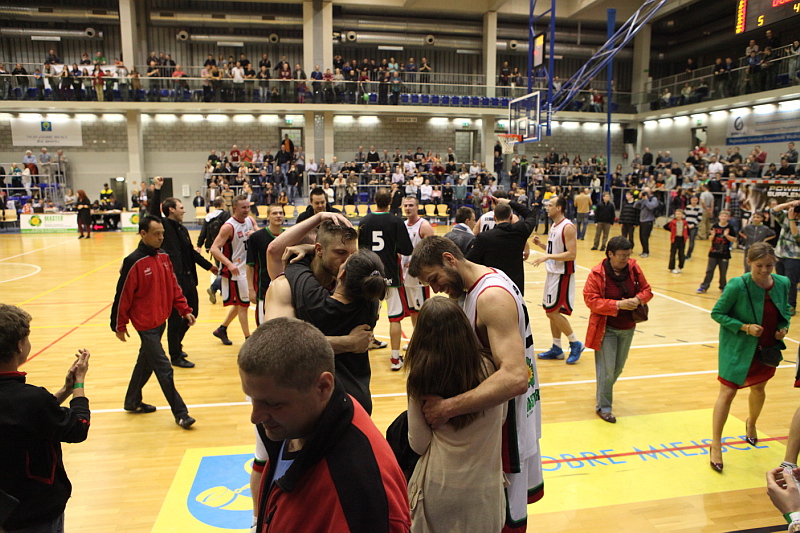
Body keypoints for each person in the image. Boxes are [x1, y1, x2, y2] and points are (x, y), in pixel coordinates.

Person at [407, 236, 543, 532]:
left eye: (434, 278)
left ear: (449, 259)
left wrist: (447, 407)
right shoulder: (483, 282)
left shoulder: (490, 297)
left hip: (507, 429)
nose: (435, 289)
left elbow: (515, 378)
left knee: (503, 521)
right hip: (500, 425)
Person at [240, 317, 411, 533]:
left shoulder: (361, 494)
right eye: (251, 398)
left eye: (273, 403)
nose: (255, 417)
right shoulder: (294, 424)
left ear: (323, 387)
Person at [405, 297, 505, 533]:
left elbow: (419, 443)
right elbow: (501, 418)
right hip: (486, 488)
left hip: (440, 486)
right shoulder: (492, 369)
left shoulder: (421, 376)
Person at [0, 304, 91, 533]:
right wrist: (78, 385)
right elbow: (78, 427)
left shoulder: (27, 401)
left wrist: (64, 390)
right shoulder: (31, 399)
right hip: (34, 511)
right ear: (19, 345)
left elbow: (24, 415)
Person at [709, 242, 790, 472]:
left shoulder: (782, 283)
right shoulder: (738, 285)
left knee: (759, 388)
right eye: (759, 265)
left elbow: (786, 311)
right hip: (737, 348)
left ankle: (751, 423)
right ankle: (716, 444)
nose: (764, 270)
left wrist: (783, 328)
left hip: (766, 347)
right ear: (749, 262)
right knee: (727, 393)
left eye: (769, 265)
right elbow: (717, 313)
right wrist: (744, 327)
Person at [110, 215, 197, 429]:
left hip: (161, 321)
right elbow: (122, 296)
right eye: (156, 234)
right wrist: (119, 324)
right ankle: (181, 414)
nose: (161, 237)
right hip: (145, 325)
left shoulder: (164, 257)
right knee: (164, 368)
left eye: (162, 234)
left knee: (145, 363)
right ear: (143, 234)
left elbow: (173, 286)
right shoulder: (133, 261)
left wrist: (184, 309)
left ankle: (132, 401)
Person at [149, 177, 218, 368]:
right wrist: (157, 189)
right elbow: (153, 214)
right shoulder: (163, 227)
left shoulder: (182, 229)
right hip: (173, 281)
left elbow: (190, 252)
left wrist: (209, 266)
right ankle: (175, 355)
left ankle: (176, 345)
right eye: (181, 207)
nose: (184, 210)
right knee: (175, 320)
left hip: (188, 279)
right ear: (171, 209)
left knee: (192, 312)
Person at [583, 237, 653, 423]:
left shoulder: (634, 268)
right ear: (610, 254)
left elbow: (647, 290)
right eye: (622, 256)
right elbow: (591, 300)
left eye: (628, 255)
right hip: (606, 329)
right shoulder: (597, 273)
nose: (626, 259)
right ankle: (604, 407)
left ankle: (602, 392)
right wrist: (618, 305)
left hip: (628, 327)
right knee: (607, 371)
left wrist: (638, 300)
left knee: (618, 368)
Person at [357, 188, 413, 355]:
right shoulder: (396, 221)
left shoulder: (364, 221)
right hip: (390, 274)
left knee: (370, 313)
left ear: (374, 200)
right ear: (390, 202)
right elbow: (407, 249)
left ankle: (366, 345)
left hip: (370, 275)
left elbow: (361, 251)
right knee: (394, 317)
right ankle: (395, 358)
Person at [533, 195, 585, 364]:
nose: (547, 207)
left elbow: (571, 254)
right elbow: (555, 250)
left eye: (550, 205)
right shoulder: (554, 226)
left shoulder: (567, 227)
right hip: (553, 272)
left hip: (563, 274)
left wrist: (547, 256)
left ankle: (575, 343)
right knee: (551, 312)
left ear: (559, 208)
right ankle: (557, 348)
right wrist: (541, 246)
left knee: (552, 312)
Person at [393, 196, 435, 370]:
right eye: (406, 205)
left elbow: (432, 250)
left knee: (422, 312)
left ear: (418, 207)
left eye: (411, 205)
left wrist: (417, 262)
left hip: (419, 278)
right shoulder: (403, 225)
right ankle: (417, 340)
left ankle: (426, 344)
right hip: (406, 276)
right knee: (413, 312)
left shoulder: (424, 226)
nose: (408, 208)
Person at [210, 195, 257, 345]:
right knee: (244, 305)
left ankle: (222, 329)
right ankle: (248, 339)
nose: (247, 210)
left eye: (248, 207)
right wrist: (229, 264)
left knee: (240, 303)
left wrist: (255, 235)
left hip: (249, 268)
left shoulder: (250, 221)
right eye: (243, 207)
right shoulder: (228, 226)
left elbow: (260, 236)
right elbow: (214, 248)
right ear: (235, 208)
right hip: (237, 272)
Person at [467, 196, 535, 295]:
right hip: (515, 287)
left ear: (495, 218)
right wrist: (509, 202)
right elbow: (530, 214)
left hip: (492, 286)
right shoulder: (520, 231)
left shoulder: (484, 237)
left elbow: (470, 261)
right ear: (511, 217)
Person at [246, 204, 284, 326]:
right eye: (274, 213)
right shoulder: (256, 237)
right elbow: (250, 265)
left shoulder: (289, 236)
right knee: (263, 326)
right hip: (263, 289)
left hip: (284, 290)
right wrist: (251, 290)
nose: (278, 216)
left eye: (281, 213)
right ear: (268, 216)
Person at [770, 200, 800, 316]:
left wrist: (792, 220)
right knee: (780, 282)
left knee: (790, 283)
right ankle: (781, 304)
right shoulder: (787, 216)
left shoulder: (790, 219)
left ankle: (791, 305)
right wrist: (789, 204)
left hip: (794, 257)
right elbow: (773, 211)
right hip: (780, 255)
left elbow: (797, 236)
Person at [697, 210, 737, 294]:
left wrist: (726, 235)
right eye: (722, 216)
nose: (723, 218)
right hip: (713, 252)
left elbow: (734, 240)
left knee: (723, 272)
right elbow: (710, 239)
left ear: (728, 218)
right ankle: (704, 287)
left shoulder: (730, 227)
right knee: (709, 270)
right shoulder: (715, 226)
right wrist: (713, 235)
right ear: (719, 217)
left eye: (725, 216)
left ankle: (723, 287)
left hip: (724, 253)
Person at [634, 188, 658, 258]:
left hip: (648, 220)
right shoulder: (643, 199)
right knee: (641, 237)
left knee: (645, 237)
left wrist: (646, 199)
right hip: (642, 220)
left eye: (646, 191)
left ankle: (646, 252)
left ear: (649, 192)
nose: (645, 193)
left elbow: (651, 207)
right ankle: (644, 250)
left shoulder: (653, 199)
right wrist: (639, 198)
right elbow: (635, 206)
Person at [664, 208, 688, 274]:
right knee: (673, 253)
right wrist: (672, 231)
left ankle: (680, 267)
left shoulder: (685, 222)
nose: (678, 215)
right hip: (675, 239)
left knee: (681, 254)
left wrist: (686, 236)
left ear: (682, 215)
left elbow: (687, 230)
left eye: (679, 214)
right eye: (677, 214)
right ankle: (672, 267)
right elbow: (665, 226)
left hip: (682, 239)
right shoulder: (673, 222)